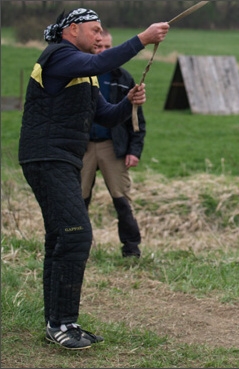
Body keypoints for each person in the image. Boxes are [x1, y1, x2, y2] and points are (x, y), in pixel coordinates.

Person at [18, 8, 169, 350]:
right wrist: (142, 40)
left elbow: (106, 114)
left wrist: (128, 102)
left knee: (60, 239)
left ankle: (56, 323)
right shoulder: (59, 56)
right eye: (96, 31)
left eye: (103, 33)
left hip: (62, 160)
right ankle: (62, 323)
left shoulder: (82, 72)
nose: (101, 38)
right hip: (47, 157)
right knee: (77, 235)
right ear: (72, 30)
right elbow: (96, 64)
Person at [81, 29, 145, 258]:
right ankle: (78, 248)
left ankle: (131, 250)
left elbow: (137, 119)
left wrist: (134, 150)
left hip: (113, 146)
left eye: (108, 47)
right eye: (100, 47)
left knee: (122, 201)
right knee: (78, 200)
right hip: (82, 148)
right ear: (92, 46)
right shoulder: (79, 74)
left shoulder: (123, 78)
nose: (103, 51)